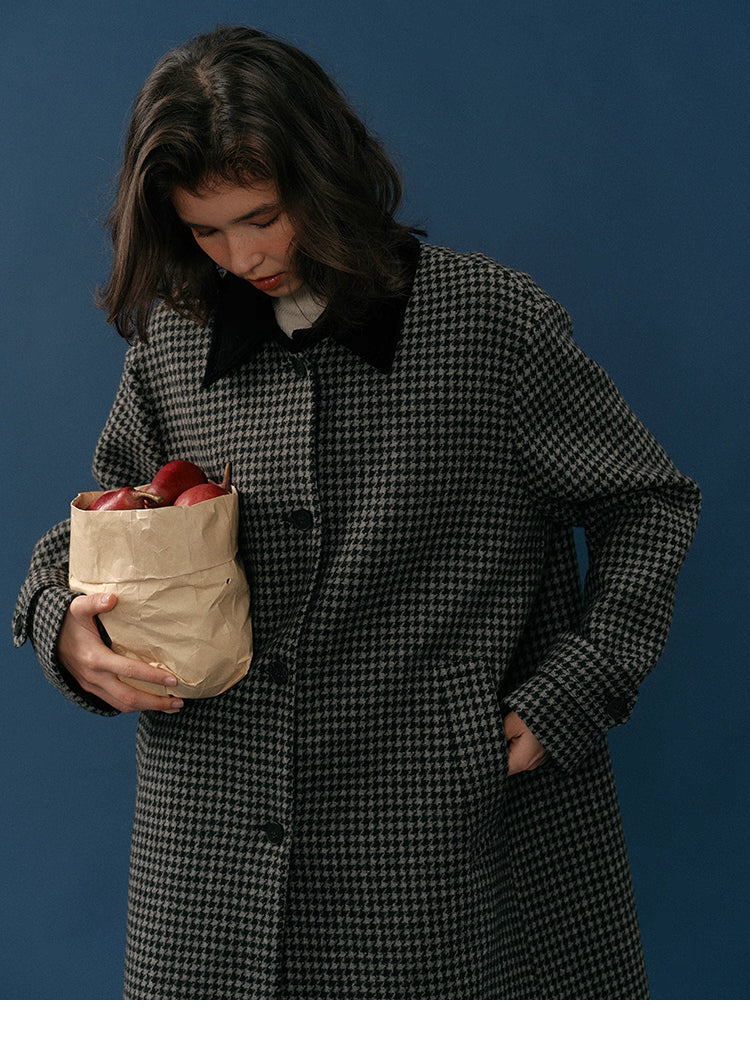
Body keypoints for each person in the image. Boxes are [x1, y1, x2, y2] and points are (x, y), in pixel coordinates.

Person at [13, 25, 701, 1000]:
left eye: (261, 216)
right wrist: (59, 624)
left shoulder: (489, 322)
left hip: (433, 853)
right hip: (209, 861)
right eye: (205, 231)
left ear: (323, 172)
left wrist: (575, 689)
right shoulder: (175, 340)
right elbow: (100, 529)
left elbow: (649, 501)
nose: (242, 254)